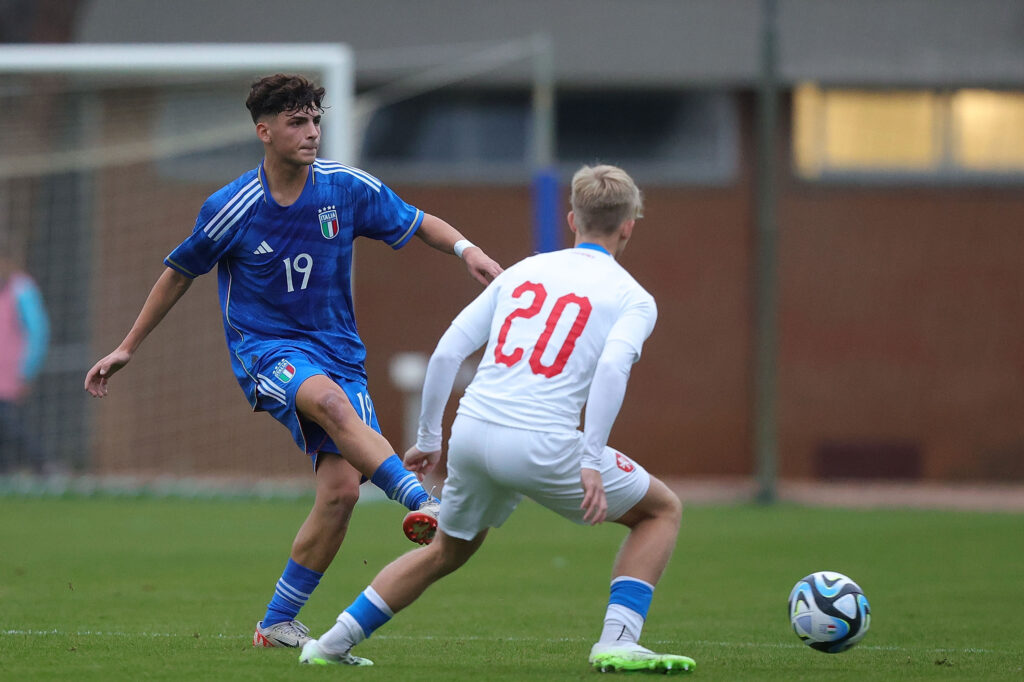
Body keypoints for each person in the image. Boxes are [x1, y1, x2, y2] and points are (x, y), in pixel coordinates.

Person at [83, 74, 503, 649]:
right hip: (266, 351)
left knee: (341, 494)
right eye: (297, 123)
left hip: (339, 353)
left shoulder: (344, 188)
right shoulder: (233, 206)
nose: (312, 133)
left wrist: (467, 250)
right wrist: (127, 346)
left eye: (315, 121)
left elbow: (415, 220)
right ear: (265, 131)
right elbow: (179, 273)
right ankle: (420, 500)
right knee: (327, 402)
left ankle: (277, 622)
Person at [299, 164, 695, 673]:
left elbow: (446, 353)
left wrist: (429, 437)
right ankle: (618, 641)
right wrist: (591, 458)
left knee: (447, 550)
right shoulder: (633, 297)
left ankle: (329, 645)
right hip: (541, 444)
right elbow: (614, 367)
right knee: (660, 511)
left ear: (572, 219)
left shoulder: (526, 270)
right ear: (629, 226)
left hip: (472, 433)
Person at [0, 257, 51, 474]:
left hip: (10, 373)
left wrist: (27, 369)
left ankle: (44, 467)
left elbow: (38, 331)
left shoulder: (21, 288)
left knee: (11, 422)